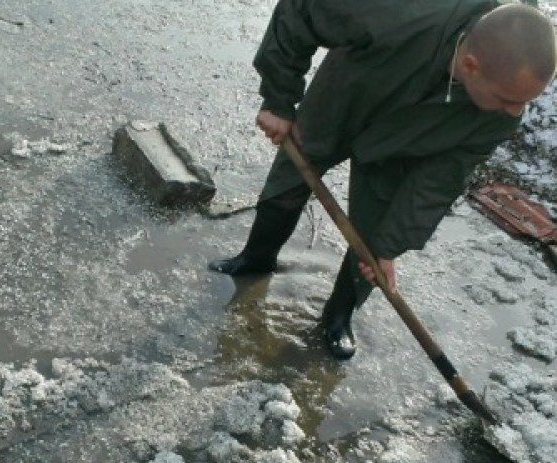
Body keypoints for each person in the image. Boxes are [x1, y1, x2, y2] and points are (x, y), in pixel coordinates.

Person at [208, 0, 556, 360]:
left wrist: (390, 246)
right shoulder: (400, 11)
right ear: (471, 65)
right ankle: (256, 258)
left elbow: (438, 182)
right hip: (345, 98)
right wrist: (279, 100)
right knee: (288, 185)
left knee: (372, 241)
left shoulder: (498, 118)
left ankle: (338, 315)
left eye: (524, 103)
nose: (516, 114)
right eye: (507, 100)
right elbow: (301, 10)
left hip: (405, 143)